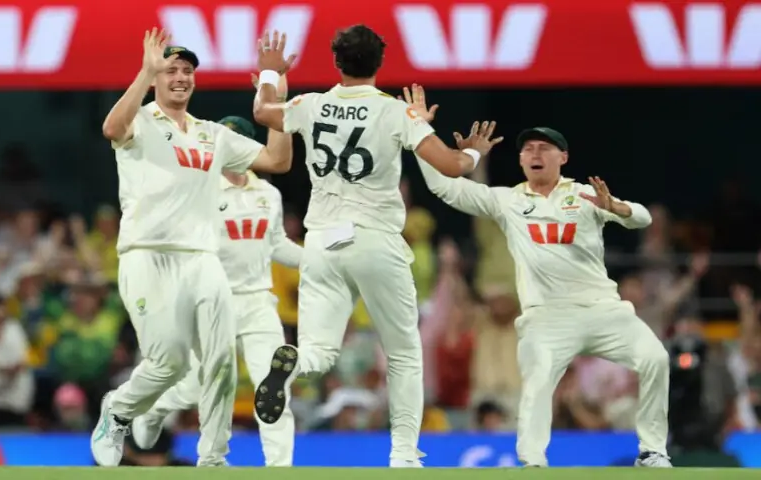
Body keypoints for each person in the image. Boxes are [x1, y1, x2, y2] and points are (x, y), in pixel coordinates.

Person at [249, 26, 499, 467]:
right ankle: (404, 455)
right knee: (403, 351)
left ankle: (293, 362)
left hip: (322, 241)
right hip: (375, 238)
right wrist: (475, 152)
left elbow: (263, 111)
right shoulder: (395, 112)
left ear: (336, 62)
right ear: (378, 63)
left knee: (321, 352)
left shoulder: (311, 104)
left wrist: (270, 74)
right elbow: (451, 165)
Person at [404, 86, 671, 468]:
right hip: (546, 316)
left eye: (544, 148)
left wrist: (618, 207)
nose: (535, 154)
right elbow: (445, 188)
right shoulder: (508, 201)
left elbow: (642, 218)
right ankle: (532, 464)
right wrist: (419, 132)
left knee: (656, 359)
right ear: (520, 159)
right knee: (538, 381)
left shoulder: (584, 195)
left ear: (563, 157)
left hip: (602, 310)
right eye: (528, 149)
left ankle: (652, 451)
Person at [92, 28, 293, 467]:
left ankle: (213, 458)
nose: (180, 77)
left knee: (219, 362)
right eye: (171, 70)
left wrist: (277, 94)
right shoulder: (140, 120)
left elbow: (278, 161)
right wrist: (144, 75)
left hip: (202, 260)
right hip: (146, 254)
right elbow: (111, 127)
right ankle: (119, 409)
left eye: (187, 71)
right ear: (156, 79)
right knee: (168, 363)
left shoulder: (212, 135)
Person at [130, 115, 300, 466]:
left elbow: (278, 244)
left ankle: (280, 468)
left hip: (258, 302)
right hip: (211, 302)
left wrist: (318, 260)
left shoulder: (268, 193)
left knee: (274, 388)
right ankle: (155, 408)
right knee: (195, 386)